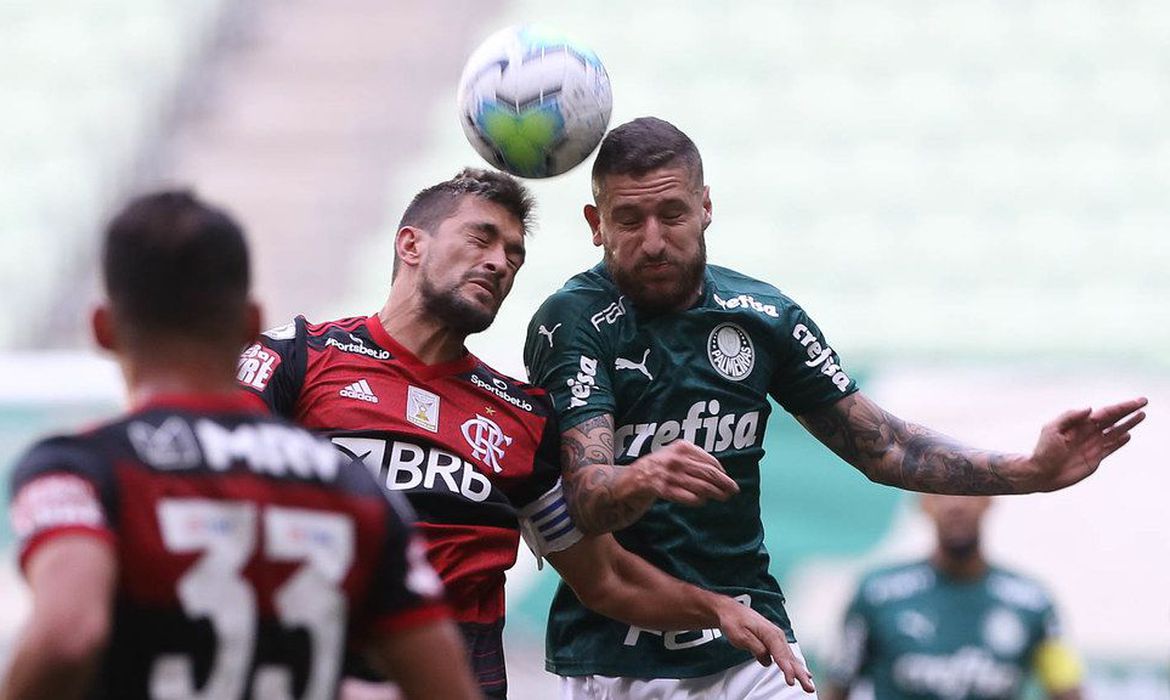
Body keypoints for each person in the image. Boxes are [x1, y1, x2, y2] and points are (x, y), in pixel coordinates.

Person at [523, 116, 1146, 699]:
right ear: (596, 222)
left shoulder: (764, 316)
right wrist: (643, 475)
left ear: (705, 206)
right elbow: (586, 497)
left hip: (753, 645)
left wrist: (1029, 471)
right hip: (618, 657)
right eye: (629, 220)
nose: (655, 241)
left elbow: (884, 447)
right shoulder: (573, 322)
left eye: (673, 214)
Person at [237, 167, 808, 699]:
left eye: (514, 254)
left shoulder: (520, 417)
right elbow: (210, 480)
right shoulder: (298, 358)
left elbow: (605, 578)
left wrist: (718, 609)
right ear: (410, 244)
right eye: (480, 239)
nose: (499, 263)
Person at [1, 191, 479, 700]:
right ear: (252, 324)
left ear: (102, 328)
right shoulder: (354, 487)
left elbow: (67, 636)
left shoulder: (78, 470)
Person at [823, 494, 1085, 700]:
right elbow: (837, 686)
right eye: (940, 493)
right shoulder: (877, 594)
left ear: (989, 500)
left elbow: (1067, 688)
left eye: (968, 491)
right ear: (924, 504)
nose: (956, 505)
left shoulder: (1033, 602)